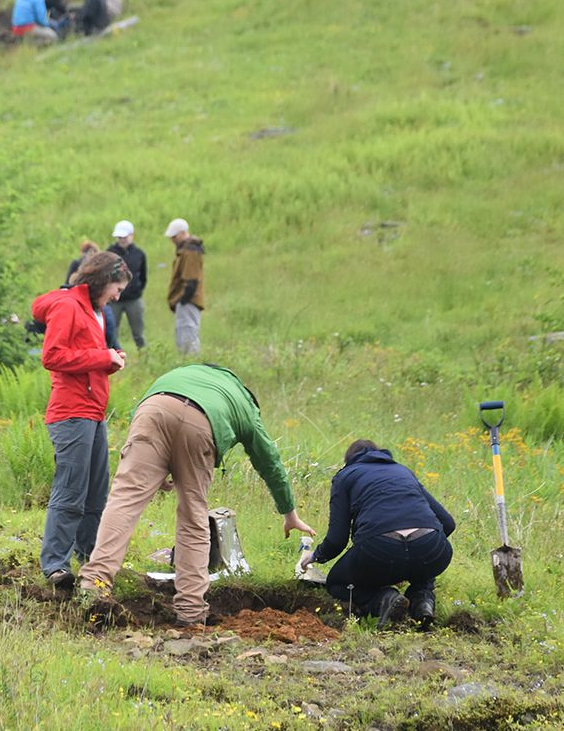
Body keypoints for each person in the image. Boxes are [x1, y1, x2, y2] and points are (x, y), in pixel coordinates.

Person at [78, 364, 314, 625]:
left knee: (124, 502)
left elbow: (150, 412)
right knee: (193, 516)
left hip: (153, 410)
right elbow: (269, 461)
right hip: (200, 425)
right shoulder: (246, 407)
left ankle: (94, 583)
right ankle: (190, 610)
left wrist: (160, 464)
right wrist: (289, 512)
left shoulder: (187, 372)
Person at [32, 251, 131, 589]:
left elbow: (84, 358)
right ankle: (55, 565)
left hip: (93, 410)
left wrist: (110, 360)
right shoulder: (67, 306)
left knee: (95, 493)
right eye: (116, 288)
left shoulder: (96, 311)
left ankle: (89, 555)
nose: (118, 296)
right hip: (71, 412)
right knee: (71, 490)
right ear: (102, 281)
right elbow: (52, 356)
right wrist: (102, 356)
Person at [299, 439, 456, 627]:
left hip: (379, 549)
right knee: (424, 563)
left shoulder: (345, 476)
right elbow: (448, 523)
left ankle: (383, 599)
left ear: (349, 461)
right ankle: (422, 601)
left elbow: (337, 539)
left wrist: (316, 555)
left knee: (337, 583)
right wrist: (416, 550)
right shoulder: (403, 471)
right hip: (432, 547)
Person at [65, 241, 120, 351]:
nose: (90, 254)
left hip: (99, 300)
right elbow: (68, 282)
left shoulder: (101, 267)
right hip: (81, 299)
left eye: (93, 252)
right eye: (87, 252)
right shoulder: (76, 264)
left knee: (108, 327)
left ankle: (114, 349)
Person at [164, 218, 205, 355]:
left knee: (188, 334)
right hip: (185, 300)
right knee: (183, 333)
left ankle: (190, 364)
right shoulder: (186, 251)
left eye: (174, 236)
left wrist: (183, 299)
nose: (173, 240)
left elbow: (191, 279)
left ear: (182, 233)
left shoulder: (190, 251)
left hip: (188, 300)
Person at [107, 220, 148, 349]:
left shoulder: (139, 254)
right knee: (111, 331)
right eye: (119, 237)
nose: (122, 240)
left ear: (131, 236)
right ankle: (110, 357)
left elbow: (143, 276)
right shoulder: (110, 252)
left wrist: (137, 290)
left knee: (138, 333)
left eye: (124, 237)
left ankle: (144, 357)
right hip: (113, 300)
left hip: (133, 299)